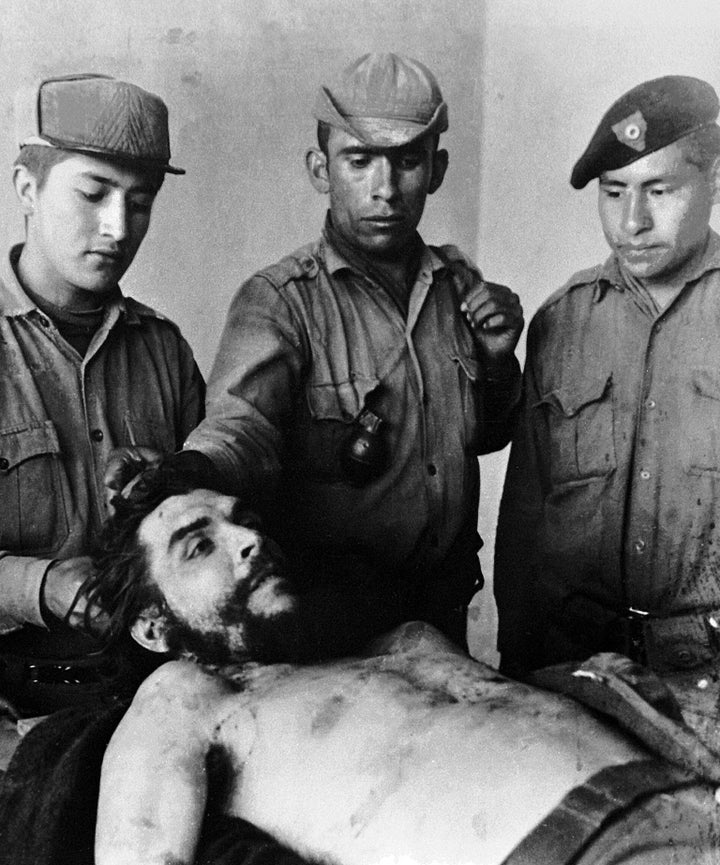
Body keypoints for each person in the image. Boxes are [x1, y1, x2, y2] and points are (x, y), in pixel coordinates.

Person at [83, 480, 720, 865]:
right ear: (153, 627)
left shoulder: (400, 639)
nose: (247, 539)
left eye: (244, 521)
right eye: (200, 546)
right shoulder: (188, 695)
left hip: (688, 804)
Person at [155, 52, 524, 651]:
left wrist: (499, 360)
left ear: (436, 168)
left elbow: (487, 435)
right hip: (332, 628)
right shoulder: (279, 301)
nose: (385, 190)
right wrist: (194, 469)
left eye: (407, 161)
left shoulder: (459, 285)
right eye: (359, 161)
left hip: (444, 609)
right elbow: (241, 428)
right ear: (320, 169)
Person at [495, 75, 720, 679]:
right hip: (574, 667)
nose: (633, 222)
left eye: (660, 190)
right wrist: (517, 667)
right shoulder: (561, 322)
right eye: (614, 192)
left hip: (708, 677)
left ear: (716, 181)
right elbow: (523, 522)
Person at [0, 73, 204, 715]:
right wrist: (39, 584)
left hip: (147, 691)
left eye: (139, 202)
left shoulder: (164, 350)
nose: (117, 227)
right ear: (27, 189)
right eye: (93, 194)